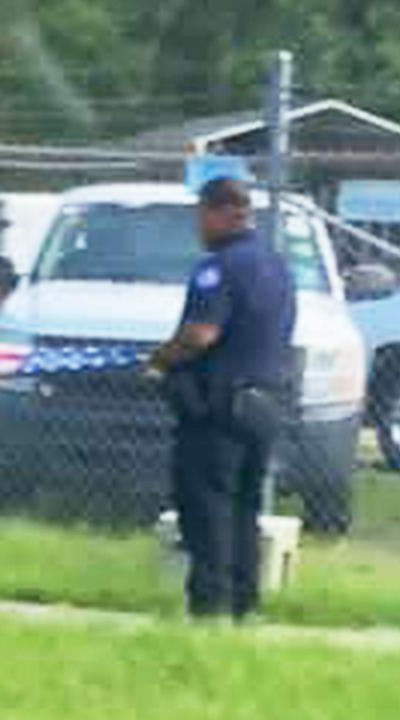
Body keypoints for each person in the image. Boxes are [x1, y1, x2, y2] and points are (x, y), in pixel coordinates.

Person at [147, 176, 297, 620]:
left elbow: (201, 334)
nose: (198, 226)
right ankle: (243, 606)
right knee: (244, 511)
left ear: (220, 212)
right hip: (264, 403)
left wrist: (160, 358)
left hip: (220, 409)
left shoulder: (218, 267)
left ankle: (209, 608)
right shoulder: (275, 265)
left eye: (201, 215)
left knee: (207, 510)